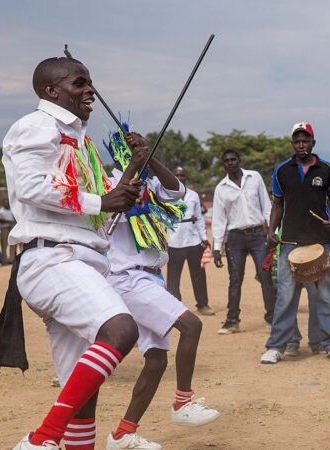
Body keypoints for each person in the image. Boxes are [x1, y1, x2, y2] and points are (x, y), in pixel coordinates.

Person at [1, 56, 144, 450]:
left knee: (82, 394)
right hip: (53, 259)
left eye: (90, 82)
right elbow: (31, 187)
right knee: (121, 330)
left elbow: (94, 207)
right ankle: (40, 439)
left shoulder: (79, 138)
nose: (90, 90)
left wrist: (127, 181)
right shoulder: (37, 126)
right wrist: (101, 202)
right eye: (80, 83)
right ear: (52, 90)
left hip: (80, 259)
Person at [105, 132, 220, 450]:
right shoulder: (108, 181)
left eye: (138, 148)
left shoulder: (150, 184)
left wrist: (150, 156)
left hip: (151, 277)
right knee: (192, 325)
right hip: (127, 278)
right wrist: (132, 168)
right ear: (118, 154)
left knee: (156, 361)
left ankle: (122, 434)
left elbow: (178, 190)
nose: (134, 154)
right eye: (128, 150)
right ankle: (183, 403)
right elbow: (112, 206)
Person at [260, 122, 330, 364]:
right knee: (286, 297)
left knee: (327, 296)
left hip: (321, 244)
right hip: (290, 243)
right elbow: (278, 204)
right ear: (292, 144)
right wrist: (271, 230)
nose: (301, 144)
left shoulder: (326, 169)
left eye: (305, 140)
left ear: (313, 143)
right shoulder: (281, 170)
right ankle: (277, 346)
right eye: (297, 141)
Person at [212, 148, 276, 331]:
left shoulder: (254, 177)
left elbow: (267, 206)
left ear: (239, 160)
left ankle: (272, 317)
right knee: (235, 279)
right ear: (223, 165)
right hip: (235, 239)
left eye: (233, 159)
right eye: (226, 161)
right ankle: (232, 321)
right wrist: (218, 247)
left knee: (265, 276)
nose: (230, 163)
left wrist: (273, 231)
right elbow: (219, 220)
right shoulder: (221, 189)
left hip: (258, 236)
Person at [166, 167, 213, 316]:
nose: (179, 177)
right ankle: (175, 306)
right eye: (177, 175)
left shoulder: (193, 195)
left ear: (186, 177)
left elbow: (199, 217)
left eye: (182, 175)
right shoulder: (166, 195)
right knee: (173, 277)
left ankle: (203, 304)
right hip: (174, 241)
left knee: (198, 275)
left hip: (193, 240)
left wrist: (204, 238)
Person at [0, 199, 18, 264]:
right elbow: (0, 220)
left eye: (8, 203)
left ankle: (11, 260)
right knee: (4, 245)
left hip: (12, 228)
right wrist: (8, 222)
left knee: (13, 244)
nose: (7, 204)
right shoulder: (0, 212)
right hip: (4, 229)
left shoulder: (12, 210)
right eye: (5, 203)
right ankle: (4, 260)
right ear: (3, 204)